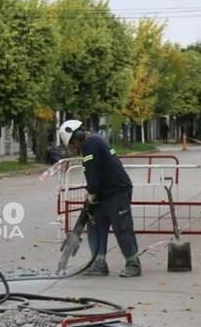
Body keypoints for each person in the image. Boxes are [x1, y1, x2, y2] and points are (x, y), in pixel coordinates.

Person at [58, 119, 141, 278]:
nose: (73, 147)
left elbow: (93, 179)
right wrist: (91, 195)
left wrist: (91, 195)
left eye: (72, 143)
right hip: (103, 193)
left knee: (122, 228)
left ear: (78, 136)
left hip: (116, 191)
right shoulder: (93, 141)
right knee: (95, 226)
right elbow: (94, 177)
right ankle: (98, 263)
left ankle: (133, 264)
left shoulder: (90, 145)